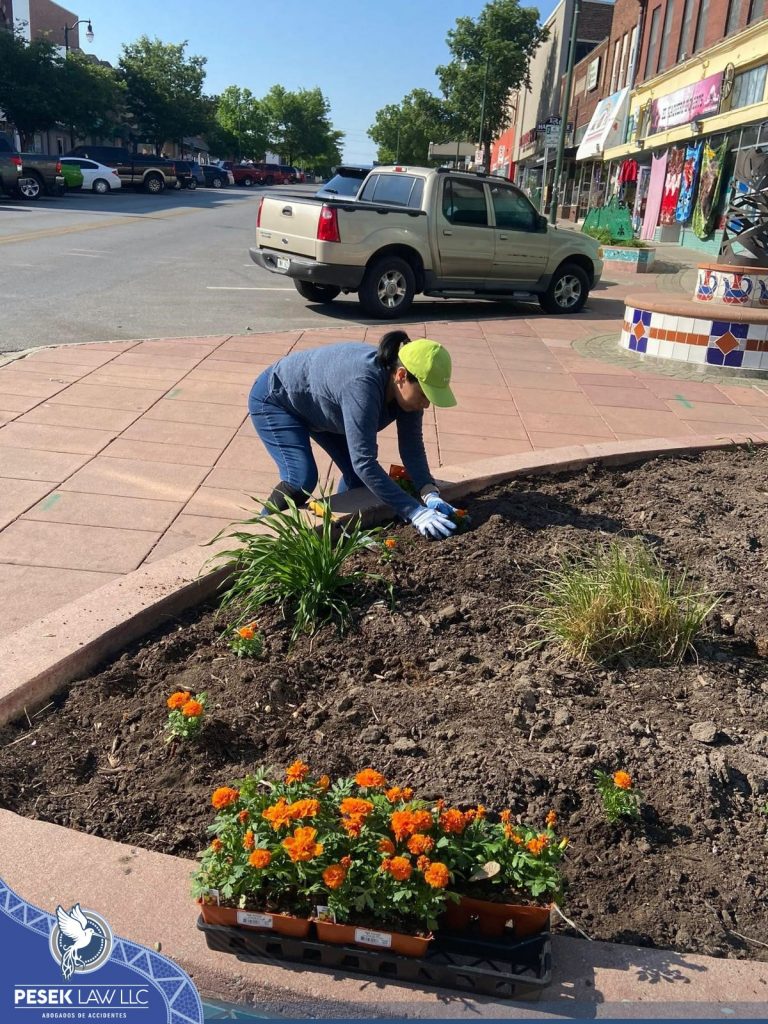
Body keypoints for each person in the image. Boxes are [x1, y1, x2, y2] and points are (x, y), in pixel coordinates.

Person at [248, 331, 460, 539]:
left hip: (325, 408)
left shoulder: (406, 394)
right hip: (276, 399)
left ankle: (342, 536)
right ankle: (260, 536)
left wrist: (428, 490)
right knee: (301, 479)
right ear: (401, 375)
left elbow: (412, 447)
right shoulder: (363, 385)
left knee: (358, 480)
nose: (426, 403)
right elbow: (364, 462)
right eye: (424, 394)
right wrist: (414, 511)